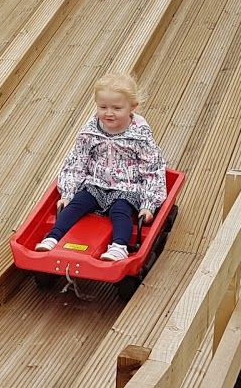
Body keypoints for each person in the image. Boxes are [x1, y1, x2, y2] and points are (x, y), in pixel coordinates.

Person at [36, 73, 167, 262]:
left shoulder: (140, 137)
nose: (109, 113)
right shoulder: (90, 133)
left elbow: (152, 169)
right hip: (96, 183)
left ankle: (119, 247)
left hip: (126, 187)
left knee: (120, 211)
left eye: (117, 108)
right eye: (103, 107)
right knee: (75, 206)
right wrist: (67, 193)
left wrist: (148, 205)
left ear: (132, 107)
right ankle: (53, 237)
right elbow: (77, 161)